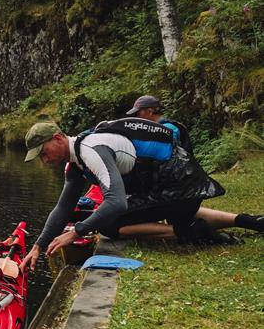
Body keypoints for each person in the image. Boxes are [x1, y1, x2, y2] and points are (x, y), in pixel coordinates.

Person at [22, 120, 248, 271]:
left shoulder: (90, 149)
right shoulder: (75, 165)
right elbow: (62, 210)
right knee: (121, 215)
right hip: (182, 187)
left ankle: (191, 233)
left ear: (58, 137)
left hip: (181, 186)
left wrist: (77, 232)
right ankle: (248, 221)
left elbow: (116, 202)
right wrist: (38, 246)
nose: (45, 160)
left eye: (44, 152)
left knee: (109, 224)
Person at [110, 96, 262, 241]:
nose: (136, 118)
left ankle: (198, 234)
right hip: (186, 188)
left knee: (114, 223)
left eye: (138, 113)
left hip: (175, 188)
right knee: (185, 216)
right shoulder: (165, 128)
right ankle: (251, 221)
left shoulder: (165, 130)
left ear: (149, 111)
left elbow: (160, 159)